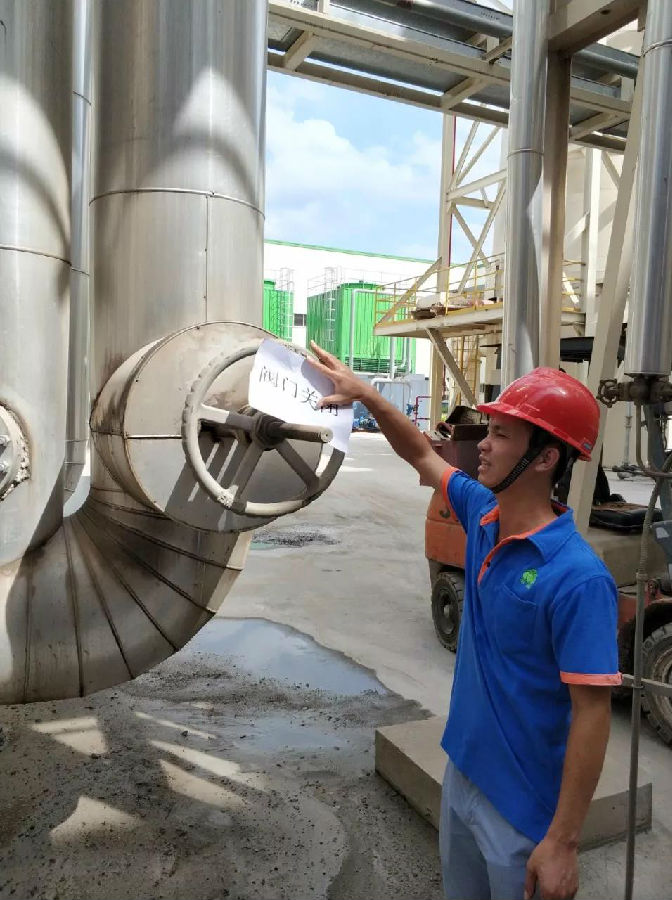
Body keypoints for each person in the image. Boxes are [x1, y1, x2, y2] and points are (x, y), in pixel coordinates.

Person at [308, 342, 621, 900]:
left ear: (545, 458)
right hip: (462, 773)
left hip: (523, 811)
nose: (482, 444)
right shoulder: (482, 513)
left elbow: (592, 715)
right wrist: (368, 396)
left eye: (501, 434)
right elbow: (422, 456)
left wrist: (563, 841)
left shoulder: (578, 578)